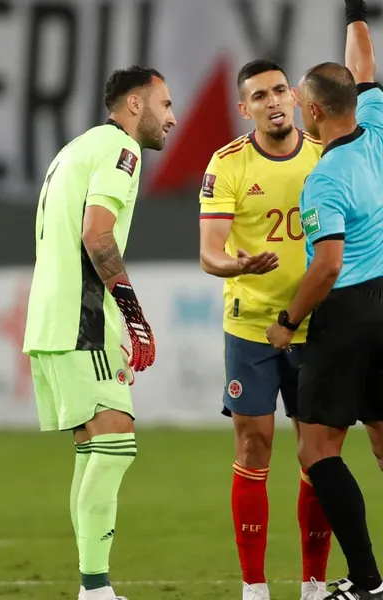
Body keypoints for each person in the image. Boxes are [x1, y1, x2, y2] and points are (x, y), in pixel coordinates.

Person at [22, 65, 176, 600]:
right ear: (136, 105)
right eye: (165, 104)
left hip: (50, 316)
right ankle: (95, 589)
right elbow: (96, 233)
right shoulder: (120, 151)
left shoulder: (74, 148)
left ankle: (93, 587)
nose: (172, 118)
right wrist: (133, 314)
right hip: (82, 318)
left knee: (95, 447)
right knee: (115, 442)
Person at [198, 59, 330, 600]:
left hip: (319, 326)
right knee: (254, 445)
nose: (273, 101)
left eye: (280, 90)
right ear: (243, 108)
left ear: (296, 97)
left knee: (316, 452)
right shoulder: (226, 163)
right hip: (251, 327)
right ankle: (254, 588)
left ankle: (314, 584)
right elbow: (209, 255)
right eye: (260, 96)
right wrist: (239, 266)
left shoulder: (327, 158)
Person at [264, 4, 383, 598]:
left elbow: (328, 265)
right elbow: (364, 62)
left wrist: (288, 321)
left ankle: (366, 582)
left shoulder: (325, 177)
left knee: (316, 449)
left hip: (350, 313)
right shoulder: (380, 127)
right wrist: (356, 9)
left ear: (310, 111)